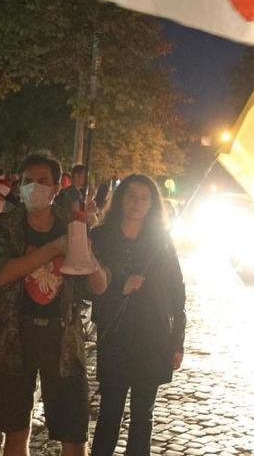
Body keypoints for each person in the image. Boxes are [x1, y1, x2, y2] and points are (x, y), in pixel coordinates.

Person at [0, 154, 108, 456]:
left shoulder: (73, 226)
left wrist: (86, 254)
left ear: (56, 188)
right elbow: (1, 274)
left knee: (74, 435)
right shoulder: (5, 226)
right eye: (28, 181)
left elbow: (99, 286)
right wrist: (54, 249)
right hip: (15, 338)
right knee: (14, 433)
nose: (34, 187)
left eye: (43, 181)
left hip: (63, 340)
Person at [88, 174, 186, 456]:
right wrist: (120, 286)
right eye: (132, 196)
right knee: (110, 411)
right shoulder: (101, 237)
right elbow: (87, 288)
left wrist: (177, 339)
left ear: (152, 203)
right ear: (121, 199)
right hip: (115, 335)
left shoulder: (161, 241)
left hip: (152, 336)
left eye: (144, 198)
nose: (137, 203)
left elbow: (176, 291)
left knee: (143, 415)